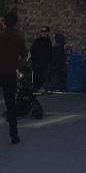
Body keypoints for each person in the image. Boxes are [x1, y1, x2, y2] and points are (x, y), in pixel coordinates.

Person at [0, 11, 27, 145]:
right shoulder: (18, 37)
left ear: (4, 22)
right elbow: (24, 54)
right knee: (10, 104)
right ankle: (14, 134)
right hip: (10, 73)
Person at [31, 26, 52, 92]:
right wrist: (35, 60)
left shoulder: (48, 41)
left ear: (47, 32)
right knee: (37, 76)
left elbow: (49, 52)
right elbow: (32, 50)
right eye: (42, 31)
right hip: (37, 62)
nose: (43, 32)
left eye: (44, 31)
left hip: (45, 62)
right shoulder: (37, 41)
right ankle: (36, 88)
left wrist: (49, 61)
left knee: (44, 76)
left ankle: (42, 88)